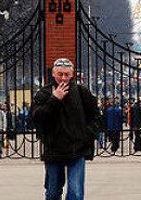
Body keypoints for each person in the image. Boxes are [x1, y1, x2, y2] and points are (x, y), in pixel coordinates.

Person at [32, 58, 100, 200]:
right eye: (60, 74)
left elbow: (96, 116)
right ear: (53, 73)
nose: (63, 78)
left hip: (77, 148)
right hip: (53, 149)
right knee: (52, 192)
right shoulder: (44, 93)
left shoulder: (82, 92)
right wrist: (54, 99)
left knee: (75, 193)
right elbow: (37, 118)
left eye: (67, 75)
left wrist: (87, 135)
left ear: (72, 74)